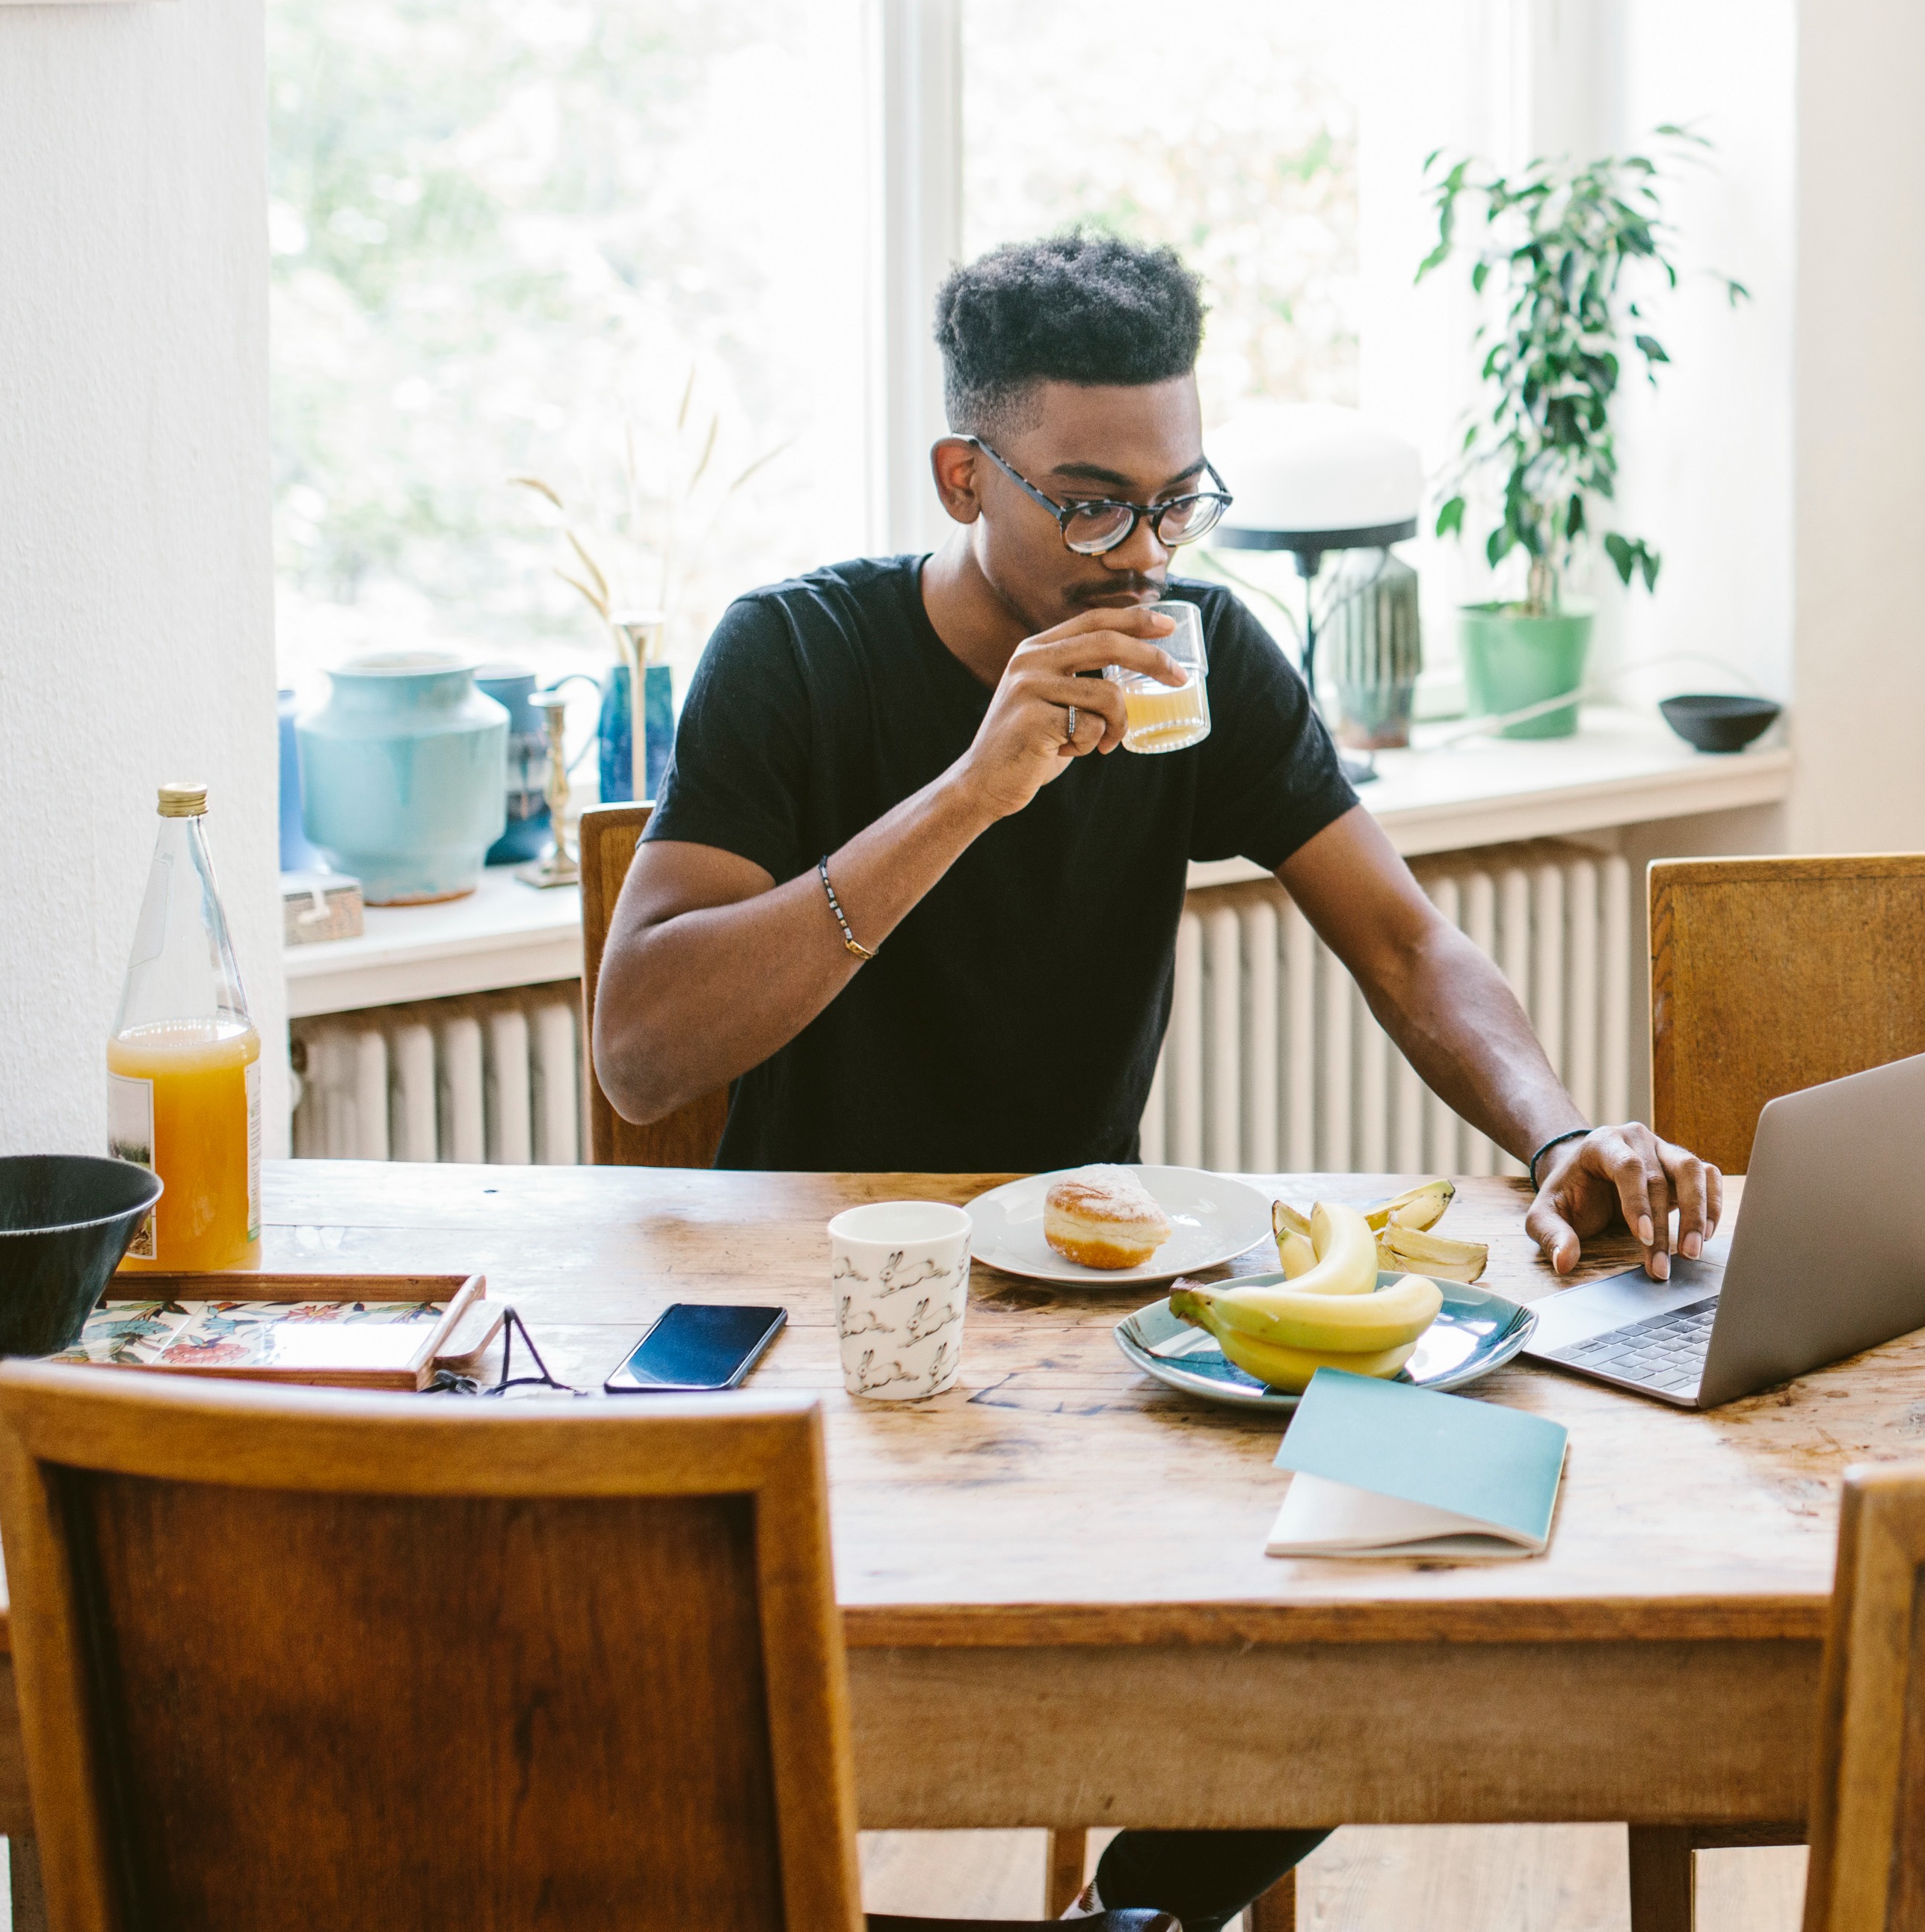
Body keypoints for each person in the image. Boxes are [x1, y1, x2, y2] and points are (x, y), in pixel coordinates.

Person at [588, 233, 1722, 1928]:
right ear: (966, 476)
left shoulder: (1211, 650)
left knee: (1451, 1518)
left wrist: (1563, 1128)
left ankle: (1139, 1911)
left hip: (1104, 1310)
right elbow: (639, 1045)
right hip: (842, 1318)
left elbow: (1409, 946)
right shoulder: (797, 654)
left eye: (1180, 502)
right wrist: (975, 788)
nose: (1146, 555)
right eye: (1094, 505)